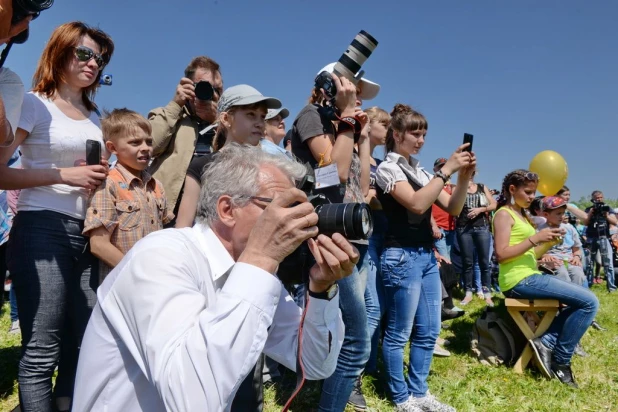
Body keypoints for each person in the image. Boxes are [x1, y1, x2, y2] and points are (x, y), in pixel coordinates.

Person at [73, 144, 357, 412]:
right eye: (280, 207)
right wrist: (262, 259)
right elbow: (192, 400)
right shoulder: (161, 255)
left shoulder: (250, 270)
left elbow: (315, 363)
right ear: (227, 209)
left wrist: (320, 290)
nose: (294, 220)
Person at [0, 22, 114, 412]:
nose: (93, 63)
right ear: (60, 52)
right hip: (41, 226)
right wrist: (64, 174)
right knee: (42, 347)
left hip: (88, 233)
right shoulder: (34, 103)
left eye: (99, 58)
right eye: (84, 53)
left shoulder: (96, 115)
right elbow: (1, 172)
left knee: (82, 342)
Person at [375, 104, 475, 412]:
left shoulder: (419, 170)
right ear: (396, 134)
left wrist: (462, 178)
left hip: (425, 257)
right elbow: (418, 204)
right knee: (399, 333)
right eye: (414, 133)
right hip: (400, 256)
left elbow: (453, 208)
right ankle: (401, 396)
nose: (420, 140)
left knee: (430, 330)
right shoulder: (387, 169)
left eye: (424, 134)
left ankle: (419, 393)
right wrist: (446, 171)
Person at [290, 62, 377, 411]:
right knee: (357, 342)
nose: (356, 98)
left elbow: (363, 184)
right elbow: (335, 175)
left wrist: (362, 137)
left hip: (355, 236)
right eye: (351, 90)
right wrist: (347, 120)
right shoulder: (311, 116)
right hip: (330, 239)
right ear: (332, 86)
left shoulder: (342, 129)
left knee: (350, 332)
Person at [493, 170, 599, 388]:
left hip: (530, 275)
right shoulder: (504, 214)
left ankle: (548, 342)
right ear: (513, 190)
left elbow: (530, 254)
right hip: (518, 281)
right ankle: (560, 361)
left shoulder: (523, 215)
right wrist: (535, 238)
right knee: (590, 302)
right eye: (528, 192)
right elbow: (502, 255)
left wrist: (548, 244)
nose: (532, 197)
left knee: (586, 301)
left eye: (534, 192)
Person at [83, 109, 174, 282]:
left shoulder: (156, 187)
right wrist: (136, 272)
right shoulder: (108, 183)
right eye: (135, 142)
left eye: (148, 141)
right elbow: (99, 244)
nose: (145, 148)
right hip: (121, 284)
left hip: (155, 280)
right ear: (112, 147)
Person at [174, 84, 282, 228]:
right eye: (251, 114)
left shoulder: (270, 167)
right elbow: (183, 225)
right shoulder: (201, 166)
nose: (259, 123)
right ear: (225, 119)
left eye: (262, 117)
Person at [147, 56, 223, 218]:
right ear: (188, 86)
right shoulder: (169, 114)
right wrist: (175, 104)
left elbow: (240, 156)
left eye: (218, 90)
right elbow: (149, 146)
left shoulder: (227, 124)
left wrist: (217, 122)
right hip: (165, 210)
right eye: (204, 86)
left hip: (209, 213)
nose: (211, 94)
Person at [363, 106, 390, 377]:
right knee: (372, 304)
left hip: (384, 237)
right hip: (366, 237)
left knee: (379, 303)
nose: (388, 130)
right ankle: (355, 365)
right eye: (384, 124)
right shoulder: (360, 160)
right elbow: (363, 196)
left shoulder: (381, 165)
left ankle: (370, 364)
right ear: (369, 126)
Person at [456, 171, 497, 307]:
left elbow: (494, 204)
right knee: (467, 263)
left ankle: (486, 293)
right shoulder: (458, 188)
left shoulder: (481, 186)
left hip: (481, 228)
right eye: (467, 172)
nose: (470, 175)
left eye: (472, 172)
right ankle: (468, 292)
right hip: (464, 228)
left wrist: (480, 210)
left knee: (485, 263)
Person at [566, 190, 617, 291]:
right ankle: (588, 284)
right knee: (590, 263)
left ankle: (611, 287)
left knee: (608, 263)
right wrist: (590, 213)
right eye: (597, 198)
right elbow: (585, 222)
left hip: (604, 237)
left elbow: (615, 222)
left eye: (600, 197)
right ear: (592, 199)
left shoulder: (607, 208)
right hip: (591, 237)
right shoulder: (589, 209)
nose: (599, 200)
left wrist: (606, 215)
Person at [537, 196, 586, 286]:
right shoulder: (540, 230)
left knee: (578, 274)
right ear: (546, 215)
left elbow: (576, 248)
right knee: (562, 274)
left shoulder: (569, 228)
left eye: (563, 213)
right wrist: (545, 255)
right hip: (553, 261)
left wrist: (577, 257)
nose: (562, 216)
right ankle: (564, 298)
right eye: (558, 214)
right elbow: (536, 249)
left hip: (569, 260)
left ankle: (577, 297)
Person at [430, 158, 455, 259]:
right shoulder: (430, 184)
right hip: (439, 228)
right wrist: (434, 226)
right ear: (434, 169)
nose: (443, 169)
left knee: (447, 258)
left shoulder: (453, 187)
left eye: (445, 166)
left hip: (451, 228)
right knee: (445, 259)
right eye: (440, 167)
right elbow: (427, 208)